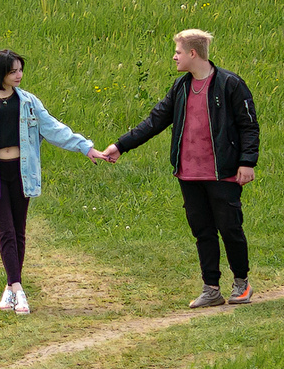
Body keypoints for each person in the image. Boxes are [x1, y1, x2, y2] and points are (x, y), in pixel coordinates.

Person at [100, 29, 259, 308]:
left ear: (193, 53)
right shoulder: (180, 87)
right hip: (189, 173)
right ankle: (211, 289)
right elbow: (154, 121)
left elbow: (249, 126)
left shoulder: (230, 84)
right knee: (203, 232)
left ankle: (241, 283)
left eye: (178, 52)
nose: (174, 57)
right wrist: (120, 146)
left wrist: (247, 162)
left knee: (230, 228)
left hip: (223, 173)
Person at [0, 48, 100, 315]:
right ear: (0, 73)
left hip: (22, 172)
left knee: (18, 231)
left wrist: (85, 147)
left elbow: (54, 129)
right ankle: (18, 290)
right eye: (13, 71)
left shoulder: (28, 102)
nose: (19, 75)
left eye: (20, 70)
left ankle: (11, 287)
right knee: (5, 231)